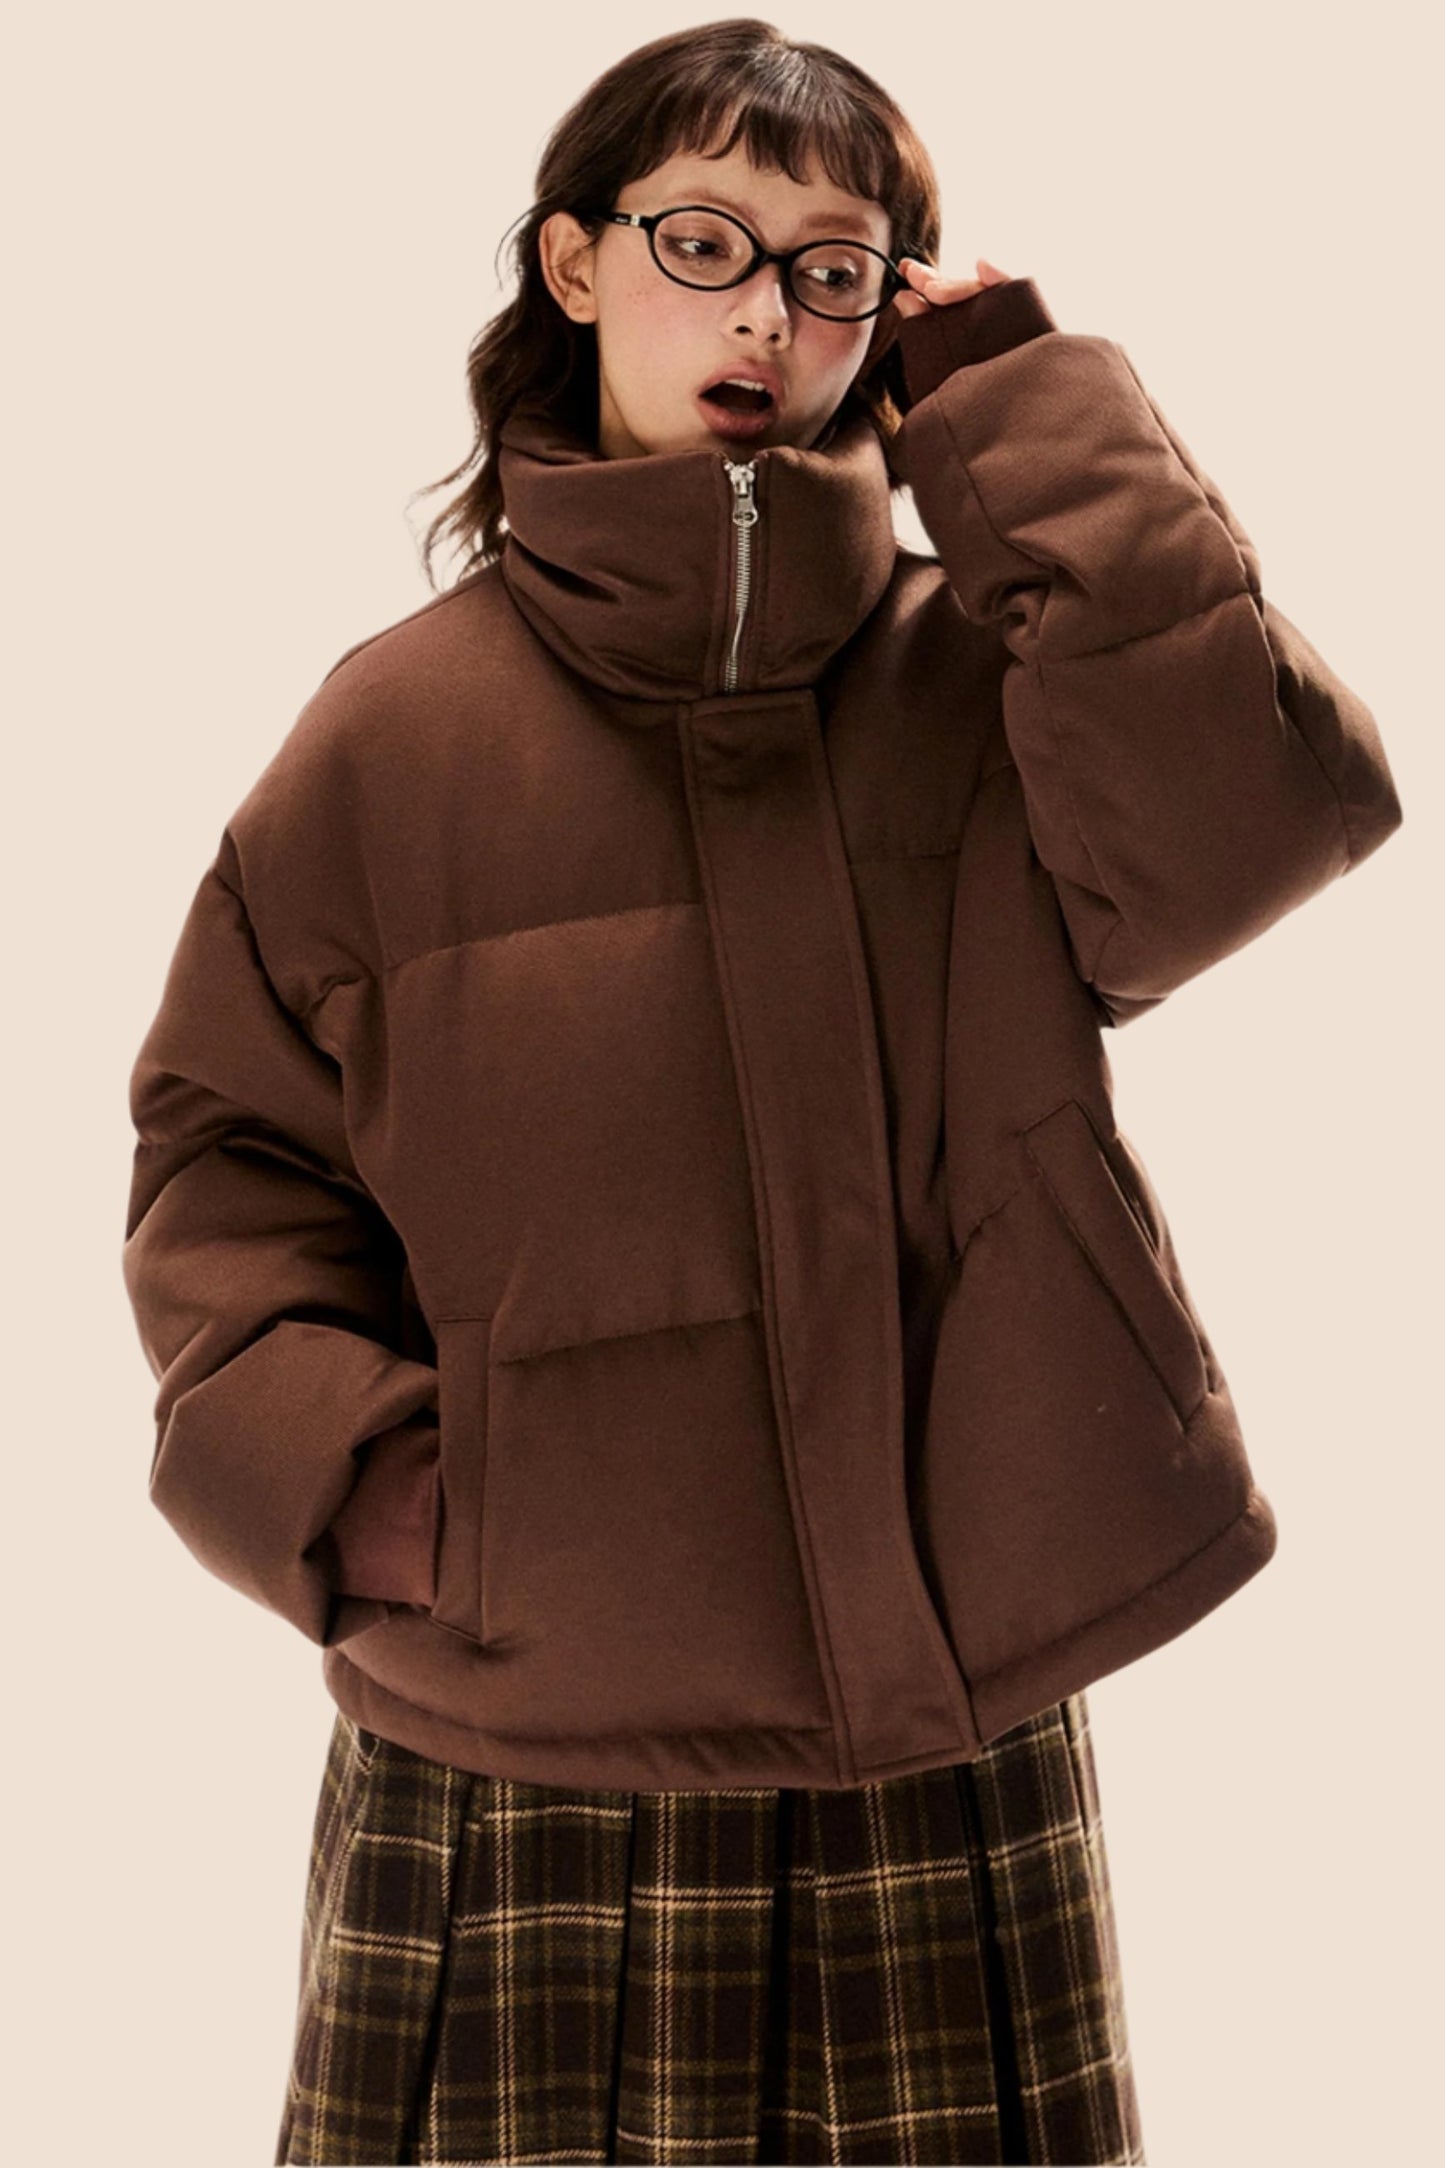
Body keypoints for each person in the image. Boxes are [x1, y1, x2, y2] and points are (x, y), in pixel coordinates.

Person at [120, 18, 1403, 2168]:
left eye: (833, 268)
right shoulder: (389, 738)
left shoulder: (984, 683)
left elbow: (1260, 822)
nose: (765, 314)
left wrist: (1020, 402)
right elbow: (224, 1160)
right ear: (574, 264)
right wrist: (383, 1495)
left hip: (943, 1704)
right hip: (521, 1735)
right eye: (703, 240)